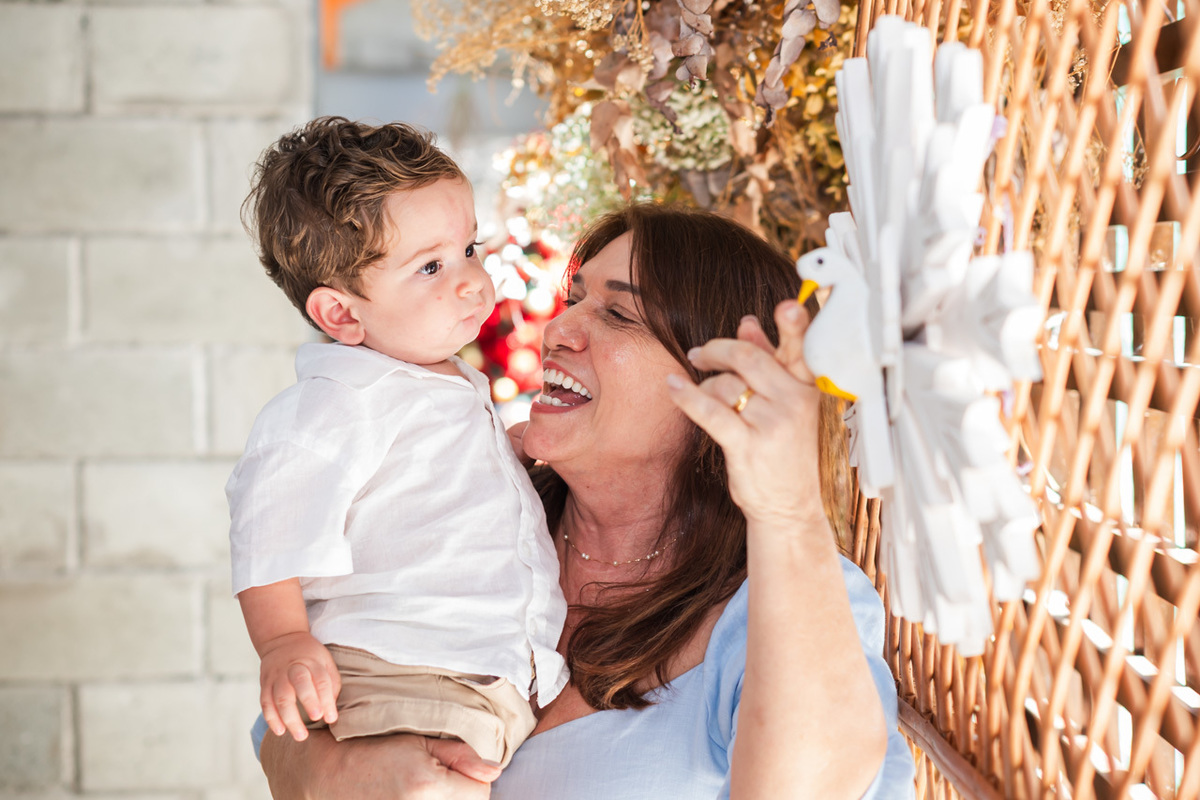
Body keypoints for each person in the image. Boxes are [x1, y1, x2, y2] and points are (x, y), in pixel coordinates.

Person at [257, 203, 917, 798]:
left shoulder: (785, 598)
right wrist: (331, 772)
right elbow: (292, 706)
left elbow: (814, 785)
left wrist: (788, 509)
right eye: (573, 299)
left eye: (617, 313)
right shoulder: (467, 514)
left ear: (724, 384)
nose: (558, 330)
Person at [227, 117, 568, 771]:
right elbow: (268, 519)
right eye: (431, 266)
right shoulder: (337, 401)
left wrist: (511, 461)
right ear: (341, 314)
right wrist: (284, 640)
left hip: (486, 674)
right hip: (406, 667)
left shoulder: (442, 379)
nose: (471, 279)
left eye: (470, 248)